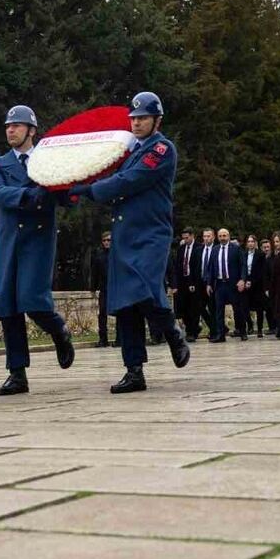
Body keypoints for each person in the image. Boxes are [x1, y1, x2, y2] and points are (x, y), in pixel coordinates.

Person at [68, 91, 189, 393]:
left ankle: (172, 331)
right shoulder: (128, 152)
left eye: (143, 118)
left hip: (150, 233)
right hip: (124, 234)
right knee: (124, 304)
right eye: (133, 118)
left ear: (156, 120)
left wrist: (90, 189)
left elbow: (131, 180)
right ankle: (134, 370)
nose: (136, 123)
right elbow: (112, 174)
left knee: (143, 290)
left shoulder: (161, 149)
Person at [0, 105, 76, 396]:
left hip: (38, 239)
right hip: (10, 239)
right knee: (9, 306)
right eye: (8, 126)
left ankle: (59, 330)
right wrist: (29, 195)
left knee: (32, 300)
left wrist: (65, 187)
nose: (10, 130)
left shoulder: (49, 161)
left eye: (17, 126)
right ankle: (17, 373)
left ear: (32, 130)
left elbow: (68, 197)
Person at [204, 228, 249, 342]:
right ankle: (221, 335)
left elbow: (243, 265)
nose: (223, 238)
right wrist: (209, 283)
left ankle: (243, 332)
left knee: (237, 309)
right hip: (219, 284)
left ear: (228, 236)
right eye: (220, 236)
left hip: (233, 284)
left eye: (225, 235)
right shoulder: (215, 250)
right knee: (218, 310)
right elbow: (210, 268)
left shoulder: (236, 248)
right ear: (217, 237)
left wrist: (242, 280)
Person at [174, 228, 203, 342]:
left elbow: (198, 266)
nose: (185, 240)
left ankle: (192, 332)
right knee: (183, 307)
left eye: (187, 238)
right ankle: (191, 329)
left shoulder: (198, 248)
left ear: (192, 236)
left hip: (195, 281)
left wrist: (194, 282)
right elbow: (178, 266)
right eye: (183, 238)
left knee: (194, 308)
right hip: (183, 282)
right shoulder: (181, 249)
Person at [244, 235, 268, 337]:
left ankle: (259, 329)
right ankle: (249, 324)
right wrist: (245, 280)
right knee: (244, 306)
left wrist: (251, 281)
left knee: (259, 308)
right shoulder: (243, 254)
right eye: (248, 241)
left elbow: (261, 271)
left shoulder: (260, 254)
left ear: (255, 243)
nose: (250, 243)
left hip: (257, 284)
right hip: (245, 283)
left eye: (252, 241)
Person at [93, 231, 112, 347]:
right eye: (104, 240)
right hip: (104, 288)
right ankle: (103, 339)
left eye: (108, 240)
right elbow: (95, 273)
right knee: (102, 314)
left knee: (120, 313)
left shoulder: (117, 255)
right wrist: (93, 288)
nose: (106, 242)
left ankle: (120, 339)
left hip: (116, 288)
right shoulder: (99, 256)